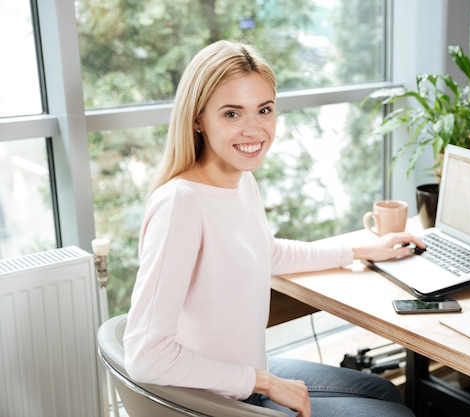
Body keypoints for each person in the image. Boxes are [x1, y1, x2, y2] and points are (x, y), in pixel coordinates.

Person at [123, 39, 423, 417]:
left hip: (249, 377)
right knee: (397, 416)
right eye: (232, 114)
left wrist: (362, 250)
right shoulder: (181, 203)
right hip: (216, 399)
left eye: (263, 110)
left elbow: (269, 252)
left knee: (383, 392)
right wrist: (262, 382)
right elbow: (145, 354)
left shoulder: (241, 179)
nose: (254, 130)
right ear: (198, 119)